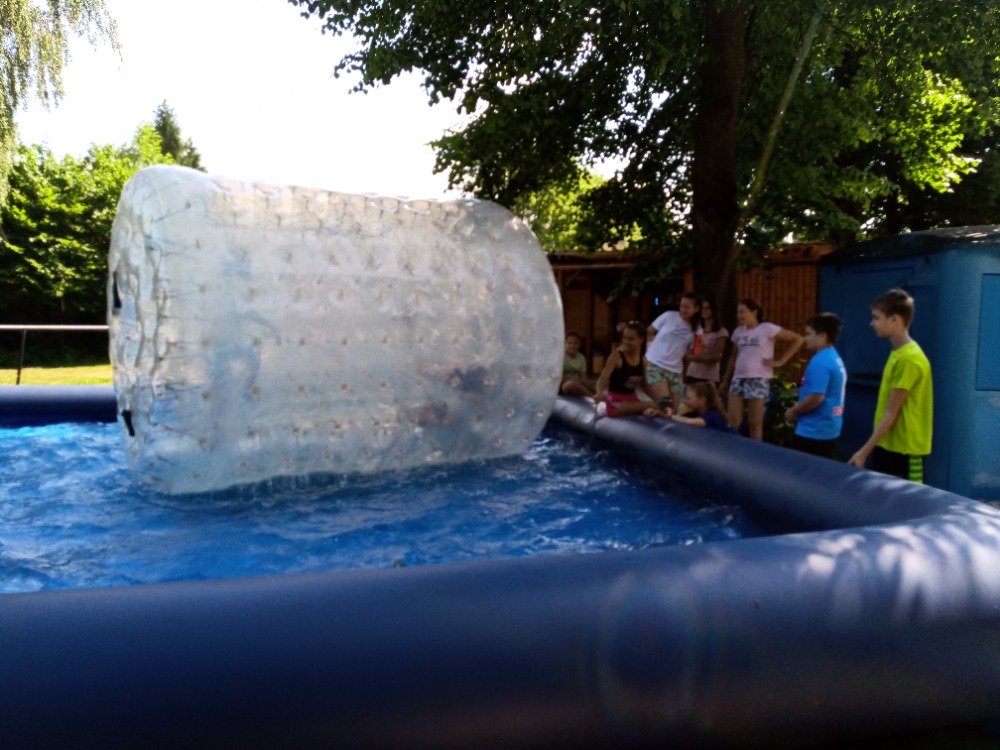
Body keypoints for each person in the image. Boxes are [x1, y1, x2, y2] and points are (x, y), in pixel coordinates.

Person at [848, 289, 933, 482]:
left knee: (910, 500)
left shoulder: (909, 359)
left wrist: (863, 452)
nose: (872, 323)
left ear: (895, 320)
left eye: (876, 317)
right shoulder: (898, 353)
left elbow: (891, 412)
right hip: (888, 447)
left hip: (905, 453)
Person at [722, 298, 805, 441]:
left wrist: (781, 361)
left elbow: (798, 339)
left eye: (743, 312)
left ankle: (756, 451)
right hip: (738, 378)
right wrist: (726, 379)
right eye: (738, 312)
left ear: (754, 312)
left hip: (758, 378)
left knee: (754, 423)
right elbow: (733, 356)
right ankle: (731, 449)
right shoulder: (738, 331)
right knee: (733, 420)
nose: (739, 315)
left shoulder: (767, 328)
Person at [784, 313, 847, 459]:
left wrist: (793, 411)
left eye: (808, 334)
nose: (805, 338)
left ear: (822, 336)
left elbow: (816, 397)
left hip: (813, 432)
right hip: (829, 428)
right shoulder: (833, 356)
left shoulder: (820, 362)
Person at [645, 292, 703, 412]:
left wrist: (684, 374)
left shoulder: (697, 329)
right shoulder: (668, 316)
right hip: (656, 364)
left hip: (675, 370)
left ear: (696, 309)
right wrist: (649, 348)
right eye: (682, 306)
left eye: (687, 307)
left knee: (677, 409)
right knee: (665, 404)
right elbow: (650, 330)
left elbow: (692, 354)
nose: (683, 310)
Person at [594, 321, 659, 417]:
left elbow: (645, 385)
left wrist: (659, 401)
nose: (625, 342)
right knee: (651, 405)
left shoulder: (642, 360)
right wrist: (599, 392)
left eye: (630, 339)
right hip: (615, 402)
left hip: (632, 400)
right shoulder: (616, 356)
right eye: (624, 338)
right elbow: (602, 380)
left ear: (641, 339)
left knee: (656, 408)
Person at [644, 381, 735, 433]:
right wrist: (659, 413)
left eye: (688, 398)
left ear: (702, 400)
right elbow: (679, 419)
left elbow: (690, 422)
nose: (685, 401)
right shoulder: (694, 413)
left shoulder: (713, 415)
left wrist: (670, 415)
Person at [683, 294, 729, 386]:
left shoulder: (721, 332)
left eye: (708, 308)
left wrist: (694, 358)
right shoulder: (696, 330)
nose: (705, 310)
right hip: (692, 373)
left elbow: (716, 357)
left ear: (713, 310)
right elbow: (688, 353)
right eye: (703, 308)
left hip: (709, 376)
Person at [560, 331, 595, 397]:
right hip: (564, 385)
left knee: (589, 384)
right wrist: (576, 382)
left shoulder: (581, 358)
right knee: (569, 385)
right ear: (564, 343)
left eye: (575, 343)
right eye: (569, 343)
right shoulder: (560, 356)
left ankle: (599, 396)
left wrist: (585, 384)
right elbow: (561, 377)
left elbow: (583, 377)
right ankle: (591, 398)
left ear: (579, 344)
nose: (572, 346)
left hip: (578, 383)